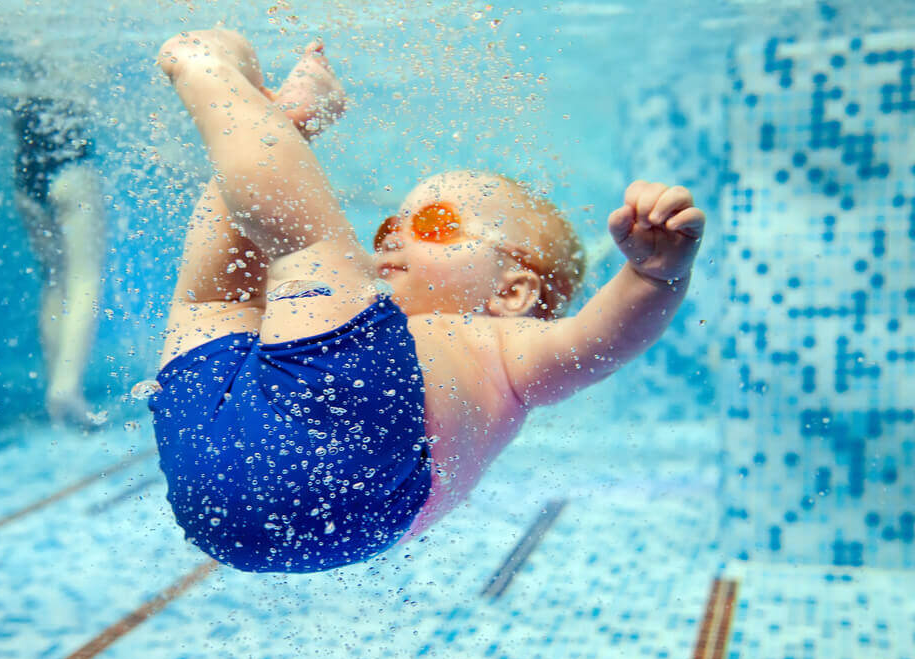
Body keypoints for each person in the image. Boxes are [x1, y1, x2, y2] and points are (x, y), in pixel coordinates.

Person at [148, 29, 705, 573]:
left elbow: (599, 342)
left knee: (299, 246)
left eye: (435, 224)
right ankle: (280, 127)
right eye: (392, 223)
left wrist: (653, 278)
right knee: (222, 300)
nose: (393, 237)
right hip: (226, 494)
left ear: (512, 292)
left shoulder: (506, 346)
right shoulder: (379, 330)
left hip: (348, 477)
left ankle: (212, 73)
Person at [13, 94, 105, 426]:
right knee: (85, 278)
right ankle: (67, 390)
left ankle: (56, 383)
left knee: (54, 278)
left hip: (24, 172)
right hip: (72, 169)